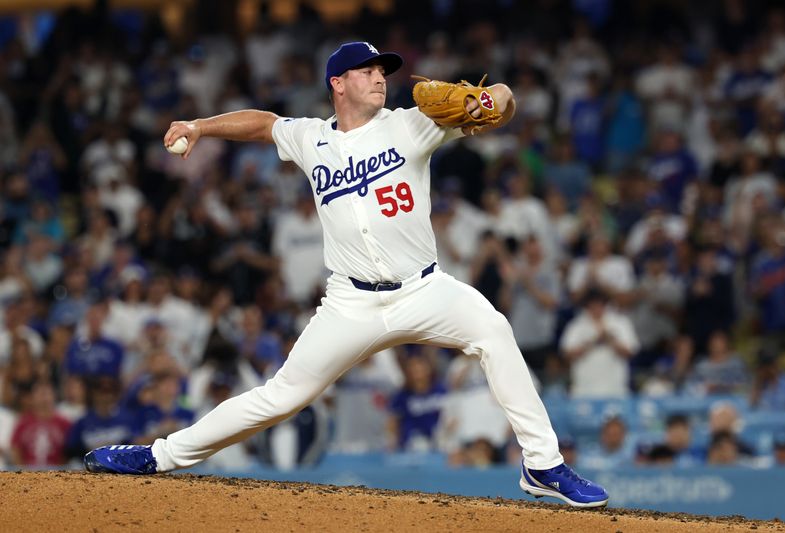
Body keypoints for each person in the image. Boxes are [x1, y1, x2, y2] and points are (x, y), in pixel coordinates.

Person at [84, 41, 608, 507]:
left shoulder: (411, 124)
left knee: (493, 330)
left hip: (424, 289)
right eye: (367, 70)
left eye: (384, 70)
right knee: (280, 397)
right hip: (350, 304)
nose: (381, 77)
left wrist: (490, 99)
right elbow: (263, 123)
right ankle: (159, 456)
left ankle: (542, 464)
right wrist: (200, 126)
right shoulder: (311, 138)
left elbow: (504, 97)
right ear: (338, 83)